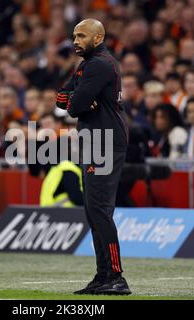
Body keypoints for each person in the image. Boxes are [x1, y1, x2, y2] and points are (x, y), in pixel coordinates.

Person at [56, 19, 131, 295]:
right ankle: (103, 276)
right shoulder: (87, 64)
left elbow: (72, 107)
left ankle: (116, 276)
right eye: (74, 35)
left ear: (98, 38)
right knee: (93, 212)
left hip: (105, 142)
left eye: (82, 36)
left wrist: (78, 100)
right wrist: (78, 99)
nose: (75, 41)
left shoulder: (98, 64)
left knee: (99, 210)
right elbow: (60, 99)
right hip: (94, 142)